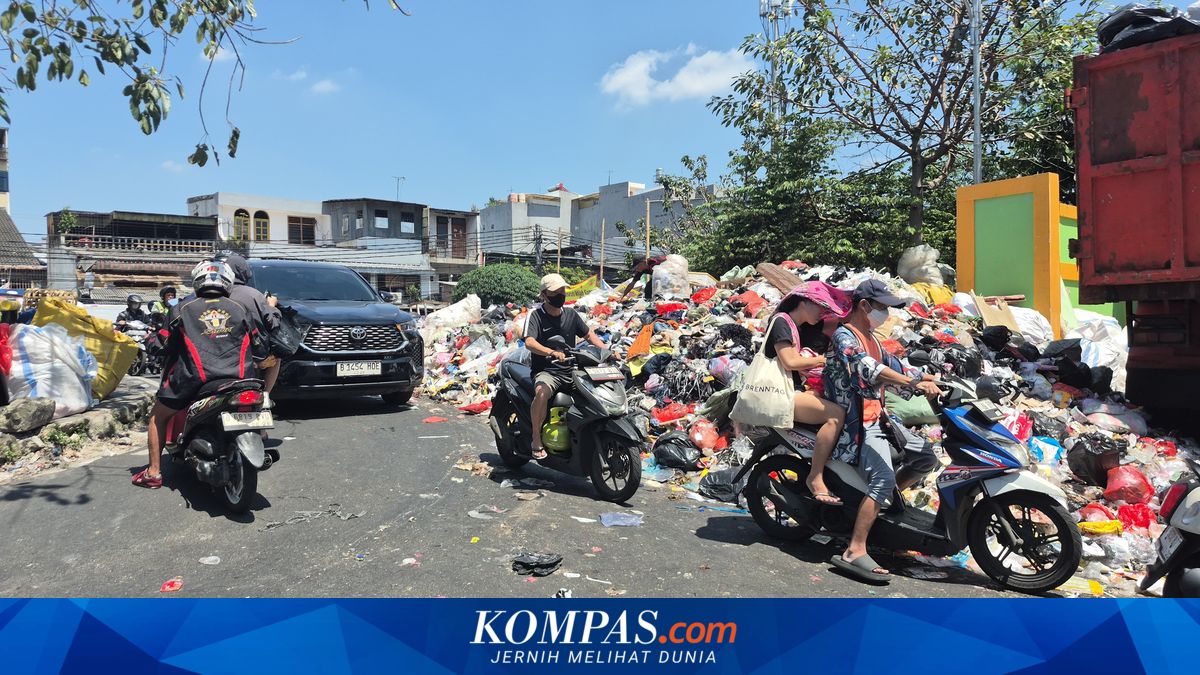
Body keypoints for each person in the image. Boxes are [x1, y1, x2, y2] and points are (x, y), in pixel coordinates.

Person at [823, 279, 943, 582]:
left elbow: (897, 367)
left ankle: (882, 504)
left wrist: (930, 378)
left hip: (880, 418)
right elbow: (870, 369)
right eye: (883, 307)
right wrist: (912, 384)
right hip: (856, 423)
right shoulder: (844, 337)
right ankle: (855, 548)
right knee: (883, 476)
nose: (886, 314)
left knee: (926, 458)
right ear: (865, 305)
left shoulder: (873, 339)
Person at [132, 260, 261, 489]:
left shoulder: (182, 308)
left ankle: (153, 473)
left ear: (197, 281)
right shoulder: (240, 308)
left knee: (156, 417)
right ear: (228, 282)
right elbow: (260, 344)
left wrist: (149, 341)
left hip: (193, 381)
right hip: (240, 379)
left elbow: (162, 345)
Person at [766, 281, 852, 505]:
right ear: (803, 302)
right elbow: (790, 361)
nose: (823, 313)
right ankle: (815, 476)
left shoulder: (794, 326)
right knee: (836, 415)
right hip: (779, 394)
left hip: (790, 390)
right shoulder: (781, 323)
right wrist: (825, 359)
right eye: (820, 307)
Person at [523, 273, 606, 460]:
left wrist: (606, 351)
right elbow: (529, 342)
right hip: (547, 370)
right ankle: (536, 438)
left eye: (562, 290)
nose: (561, 294)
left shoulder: (571, 314)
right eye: (555, 292)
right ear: (544, 294)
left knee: (596, 393)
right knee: (541, 392)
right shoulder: (536, 316)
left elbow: (588, 335)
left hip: (571, 369)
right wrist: (550, 352)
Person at [217, 253, 282, 397]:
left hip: (218, 355)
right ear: (245, 272)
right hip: (253, 358)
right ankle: (265, 395)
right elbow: (273, 324)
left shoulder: (215, 294)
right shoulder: (255, 295)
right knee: (276, 358)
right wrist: (272, 306)